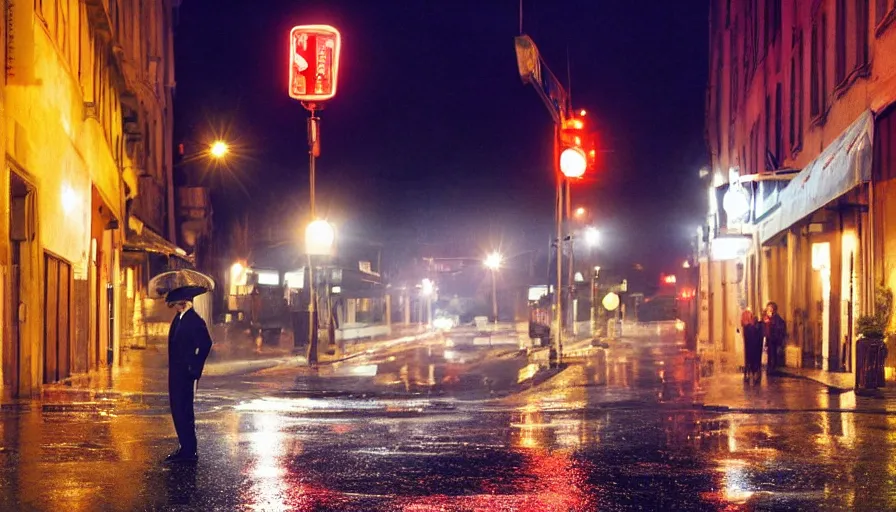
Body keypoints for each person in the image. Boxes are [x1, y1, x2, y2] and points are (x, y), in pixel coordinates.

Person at [164, 289, 213, 464]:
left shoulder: (194, 320)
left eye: (176, 305)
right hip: (176, 372)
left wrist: (194, 366)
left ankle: (189, 450)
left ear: (183, 303)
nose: (174, 308)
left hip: (186, 373)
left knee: (185, 410)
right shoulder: (179, 318)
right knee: (177, 409)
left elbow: (206, 343)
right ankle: (184, 447)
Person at [763, 302, 786, 374]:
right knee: (770, 353)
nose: (768, 310)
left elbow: (779, 328)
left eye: (770, 308)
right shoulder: (768, 318)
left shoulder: (777, 319)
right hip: (770, 338)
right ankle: (770, 367)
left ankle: (773, 367)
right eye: (768, 308)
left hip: (775, 339)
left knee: (774, 353)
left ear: (773, 309)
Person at [741, 310, 763, 384]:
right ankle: (754, 373)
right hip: (754, 348)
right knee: (753, 360)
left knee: (748, 360)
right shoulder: (750, 327)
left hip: (750, 349)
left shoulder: (747, 327)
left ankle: (749, 373)